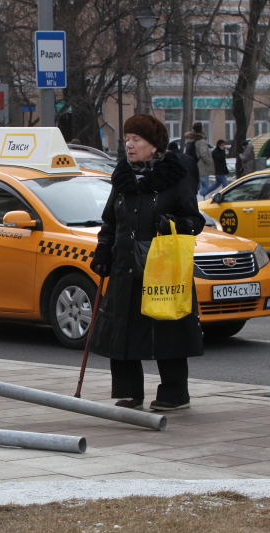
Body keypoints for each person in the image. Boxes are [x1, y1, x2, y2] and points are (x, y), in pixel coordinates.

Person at [88, 114, 205, 411]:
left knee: (168, 330)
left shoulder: (174, 176)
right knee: (123, 330)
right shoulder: (123, 176)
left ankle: (175, 393)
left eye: (136, 139)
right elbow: (110, 221)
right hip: (126, 267)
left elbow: (195, 220)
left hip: (163, 269)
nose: (129, 145)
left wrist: (174, 223)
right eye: (127, 139)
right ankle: (129, 393)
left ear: (154, 146)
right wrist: (103, 251)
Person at [184, 122, 214, 197]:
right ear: (201, 129)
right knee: (205, 186)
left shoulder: (189, 140)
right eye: (203, 128)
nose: (204, 129)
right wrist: (209, 161)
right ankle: (198, 200)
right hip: (202, 167)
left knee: (196, 187)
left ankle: (194, 200)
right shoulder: (201, 141)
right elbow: (204, 154)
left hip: (193, 166)